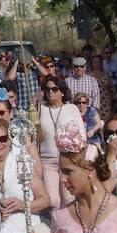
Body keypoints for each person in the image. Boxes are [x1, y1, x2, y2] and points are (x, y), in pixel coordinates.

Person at [39, 77, 86, 208]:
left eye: (54, 89)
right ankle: (57, 227)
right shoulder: (40, 108)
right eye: (47, 89)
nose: (51, 92)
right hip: (47, 161)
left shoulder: (71, 108)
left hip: (68, 159)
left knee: (69, 198)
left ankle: (73, 227)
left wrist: (79, 158)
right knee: (53, 201)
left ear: (63, 92)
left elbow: (82, 135)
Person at [91, 53, 114, 121]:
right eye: (94, 62)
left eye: (98, 62)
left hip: (106, 102)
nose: (96, 63)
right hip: (94, 103)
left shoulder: (106, 73)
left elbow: (112, 87)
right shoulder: (89, 75)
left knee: (106, 121)